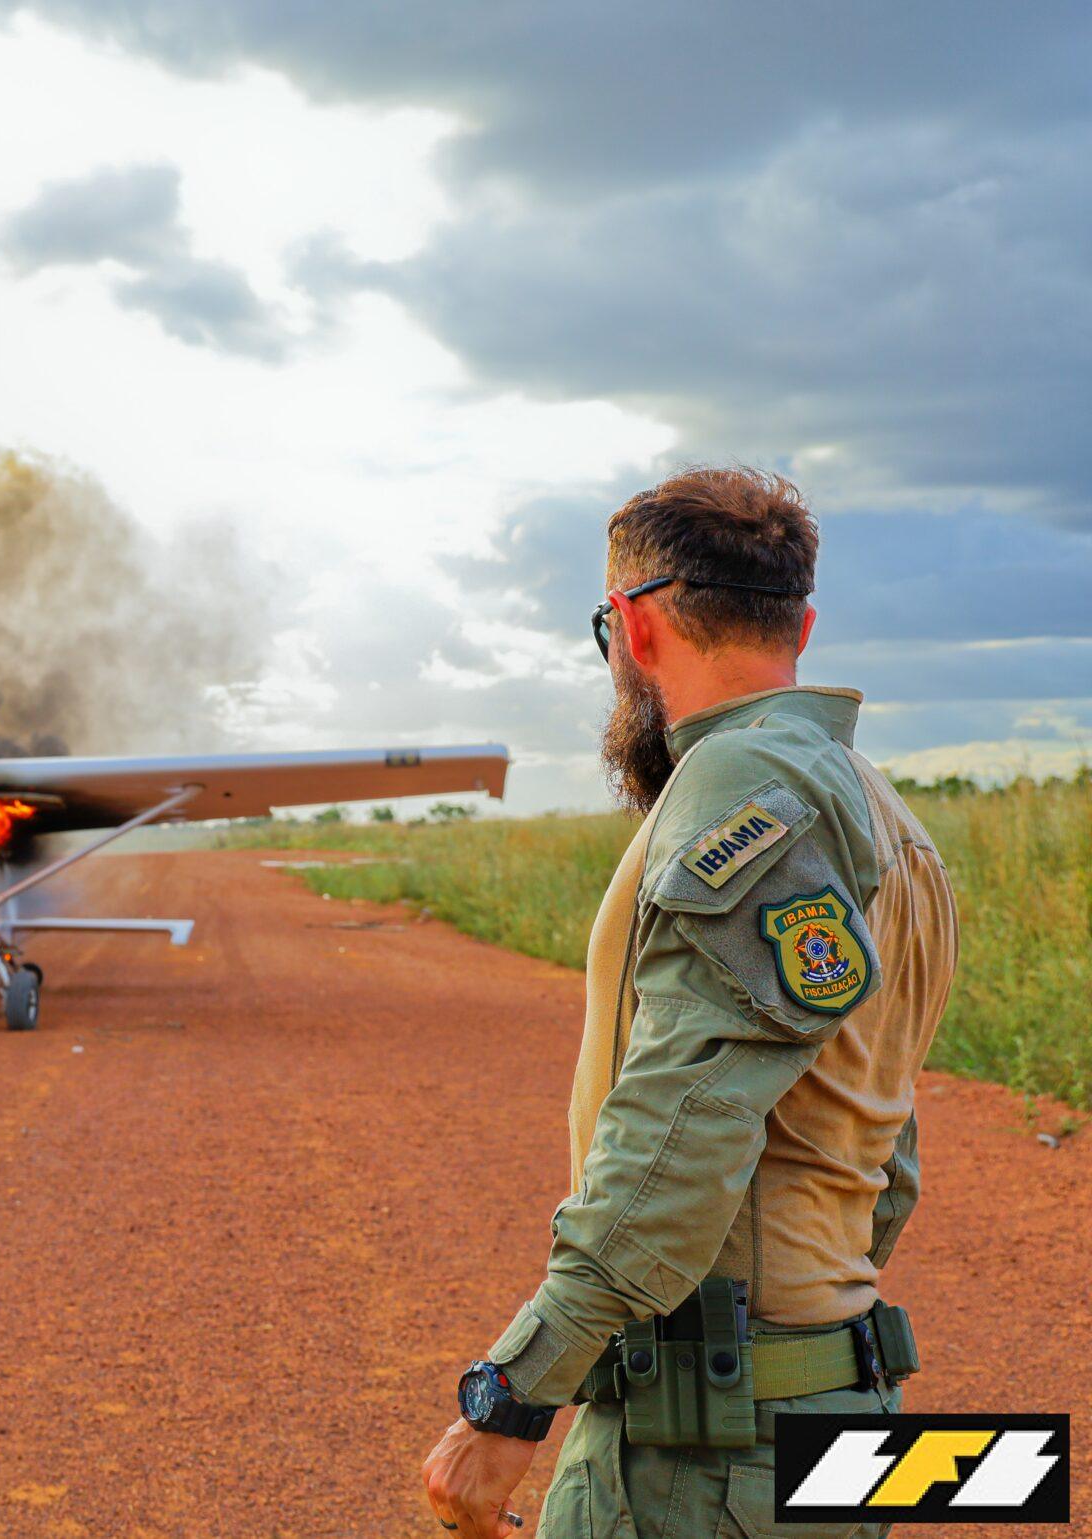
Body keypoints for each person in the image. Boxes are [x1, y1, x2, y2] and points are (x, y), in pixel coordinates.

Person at [421, 468, 959, 1538]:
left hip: (709, 1451)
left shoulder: (734, 788)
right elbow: (882, 1150)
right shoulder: (884, 813)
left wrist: (514, 1396)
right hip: (842, 1414)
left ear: (629, 623)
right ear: (797, 626)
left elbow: (686, 1123)